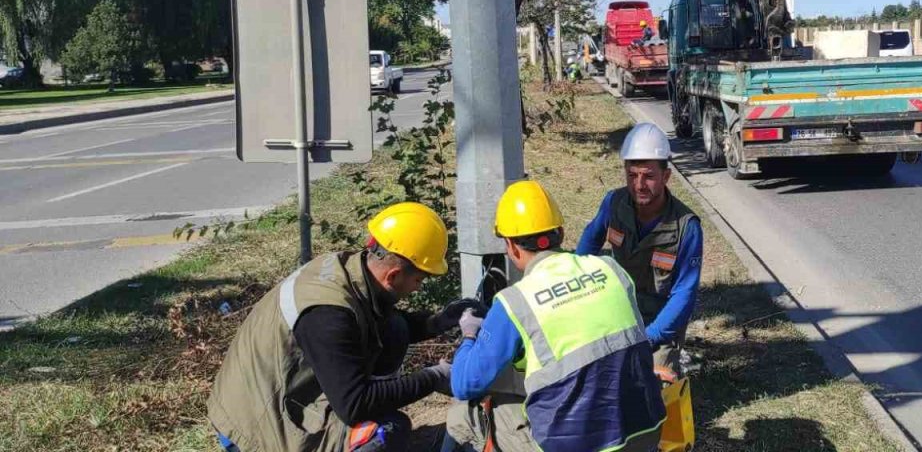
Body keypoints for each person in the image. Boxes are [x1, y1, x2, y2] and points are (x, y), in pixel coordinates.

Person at [208, 202, 477, 452]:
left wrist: (439, 321)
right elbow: (354, 405)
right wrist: (433, 377)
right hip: (256, 425)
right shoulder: (328, 314)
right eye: (419, 279)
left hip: (280, 392)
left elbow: (378, 321)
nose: (418, 287)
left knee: (395, 328)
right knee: (388, 431)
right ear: (393, 275)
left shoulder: (353, 269)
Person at [444, 180, 666, 452]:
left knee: (464, 413)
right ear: (560, 232)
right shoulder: (610, 269)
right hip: (645, 434)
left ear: (511, 247)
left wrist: (469, 334)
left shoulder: (515, 302)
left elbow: (464, 383)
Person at [577, 122, 703, 373]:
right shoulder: (613, 203)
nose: (639, 185)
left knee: (653, 388)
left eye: (648, 176)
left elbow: (684, 295)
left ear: (666, 177)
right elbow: (587, 247)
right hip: (616, 312)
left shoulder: (687, 227)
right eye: (632, 175)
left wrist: (649, 337)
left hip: (659, 325)